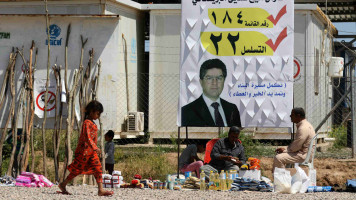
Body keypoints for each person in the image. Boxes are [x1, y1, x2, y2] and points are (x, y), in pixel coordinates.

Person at [58, 100, 113, 196]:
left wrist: (94, 148)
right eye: (97, 113)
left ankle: (100, 190)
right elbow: (87, 137)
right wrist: (95, 147)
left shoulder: (92, 123)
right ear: (91, 112)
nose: (98, 116)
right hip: (84, 152)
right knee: (77, 170)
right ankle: (63, 184)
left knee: (98, 168)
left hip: (91, 152)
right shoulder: (86, 123)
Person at [181, 58, 241, 127]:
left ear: (224, 81)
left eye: (219, 78)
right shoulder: (187, 111)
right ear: (201, 82)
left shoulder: (232, 109)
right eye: (209, 78)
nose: (214, 83)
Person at [273, 107, 315, 172]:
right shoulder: (305, 124)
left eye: (292, 115)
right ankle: (285, 176)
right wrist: (285, 149)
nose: (290, 116)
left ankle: (282, 179)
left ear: (298, 116)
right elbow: (296, 146)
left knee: (278, 158)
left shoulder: (303, 128)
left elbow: (296, 147)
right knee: (280, 153)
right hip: (302, 153)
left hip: (303, 155)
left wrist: (285, 150)